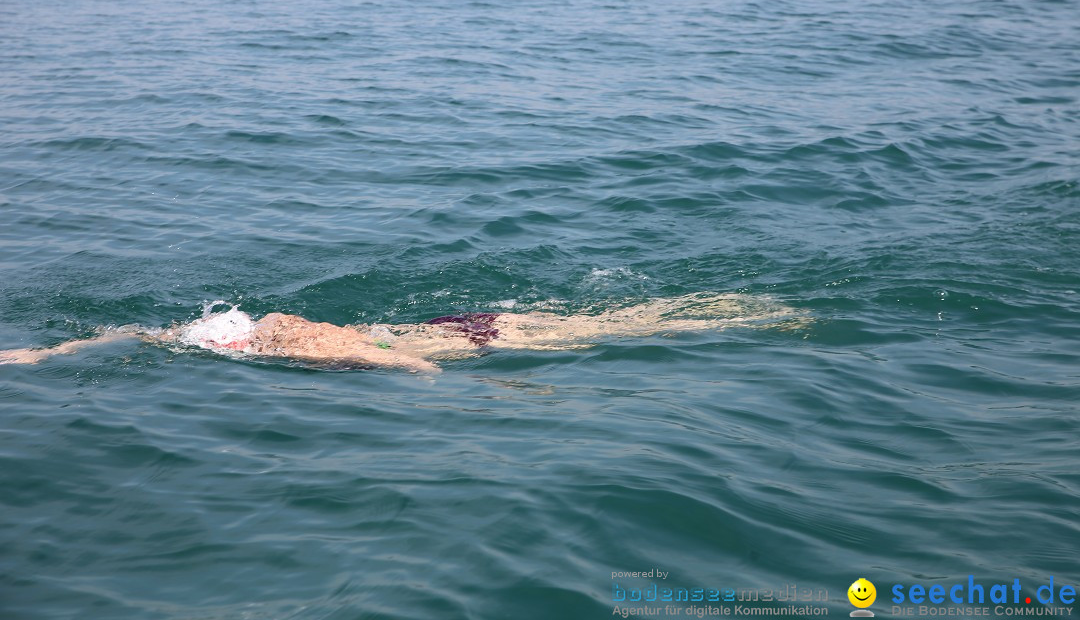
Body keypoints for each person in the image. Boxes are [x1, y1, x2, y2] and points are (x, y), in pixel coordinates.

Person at [0, 293, 799, 373]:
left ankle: (753, 315)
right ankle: (739, 303)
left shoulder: (303, 348)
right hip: (469, 321)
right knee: (624, 319)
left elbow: (412, 368)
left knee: (615, 337)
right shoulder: (279, 320)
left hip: (480, 345)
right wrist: (39, 352)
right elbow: (141, 332)